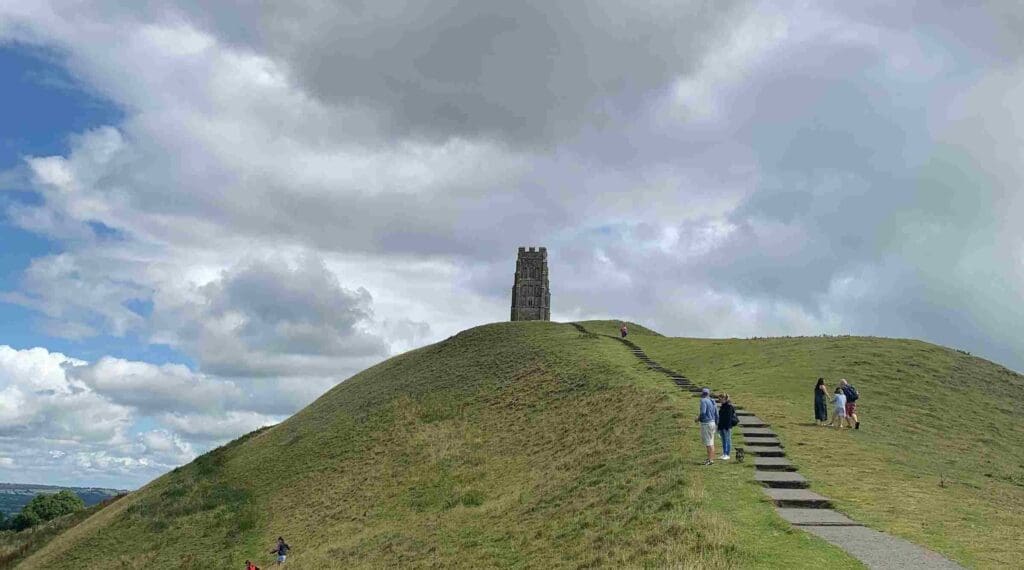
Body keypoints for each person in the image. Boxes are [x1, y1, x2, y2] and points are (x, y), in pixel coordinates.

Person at [695, 388, 719, 465]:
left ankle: (710, 460)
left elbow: (703, 412)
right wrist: (717, 423)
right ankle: (710, 459)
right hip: (712, 423)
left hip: (706, 424)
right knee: (711, 442)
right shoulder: (712, 401)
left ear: (702, 394)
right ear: (708, 393)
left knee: (708, 443)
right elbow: (716, 413)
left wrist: (697, 419)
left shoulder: (703, 401)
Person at [717, 393, 738, 460]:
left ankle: (727, 454)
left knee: (728, 440)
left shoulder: (729, 406)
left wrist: (727, 427)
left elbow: (728, 418)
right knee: (723, 440)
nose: (719, 400)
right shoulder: (722, 406)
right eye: (719, 399)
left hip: (727, 427)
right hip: (722, 426)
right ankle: (724, 453)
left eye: (720, 399)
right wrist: (719, 427)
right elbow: (721, 417)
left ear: (724, 398)